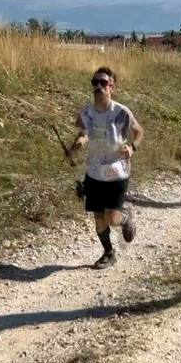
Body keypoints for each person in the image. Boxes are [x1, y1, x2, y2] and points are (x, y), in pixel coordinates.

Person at [69, 67, 145, 269]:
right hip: (94, 171)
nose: (99, 86)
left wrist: (132, 148)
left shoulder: (121, 112)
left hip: (116, 170)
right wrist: (75, 146)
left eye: (103, 83)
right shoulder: (85, 112)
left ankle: (125, 217)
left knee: (112, 218)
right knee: (98, 218)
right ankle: (108, 253)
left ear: (112, 87)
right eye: (95, 83)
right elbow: (84, 133)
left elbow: (138, 132)